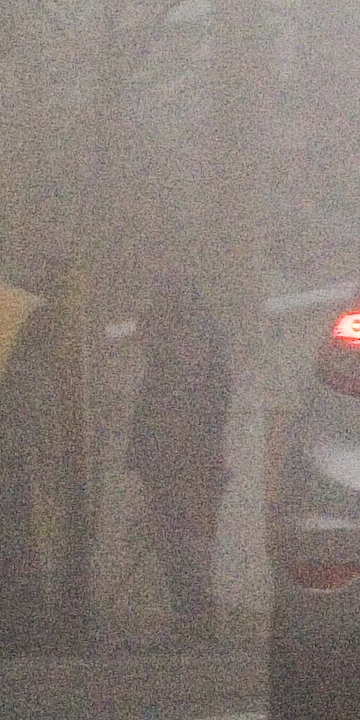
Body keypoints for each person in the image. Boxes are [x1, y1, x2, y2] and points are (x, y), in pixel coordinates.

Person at [125, 270, 232, 644]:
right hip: (192, 453)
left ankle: (193, 616)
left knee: (178, 535)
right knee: (188, 535)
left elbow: (175, 402)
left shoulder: (177, 342)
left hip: (174, 454)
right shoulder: (206, 337)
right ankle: (195, 617)